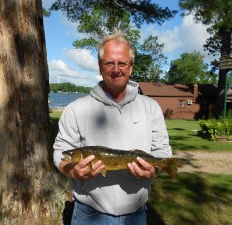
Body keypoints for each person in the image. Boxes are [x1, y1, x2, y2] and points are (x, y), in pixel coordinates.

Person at [53, 29, 172, 225]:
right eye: (109, 63)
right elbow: (60, 152)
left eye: (122, 63)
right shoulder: (75, 109)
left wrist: (155, 171)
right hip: (89, 215)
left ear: (131, 67)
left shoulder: (151, 107)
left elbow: (162, 151)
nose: (116, 69)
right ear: (100, 67)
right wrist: (72, 171)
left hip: (136, 214)